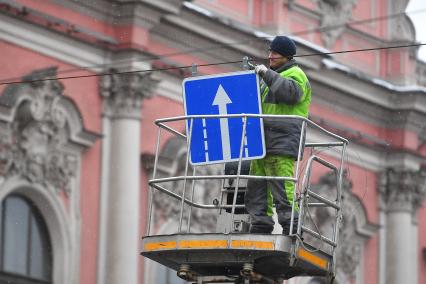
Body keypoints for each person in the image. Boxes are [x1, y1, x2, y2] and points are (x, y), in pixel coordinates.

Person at [245, 36, 311, 235]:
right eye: (269, 52)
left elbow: (289, 93)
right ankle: (260, 225)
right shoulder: (270, 79)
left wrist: (266, 74)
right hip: (263, 141)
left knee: (282, 186)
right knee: (257, 185)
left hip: (282, 140)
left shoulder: (296, 74)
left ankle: (292, 227)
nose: (270, 56)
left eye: (274, 52)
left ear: (286, 55)